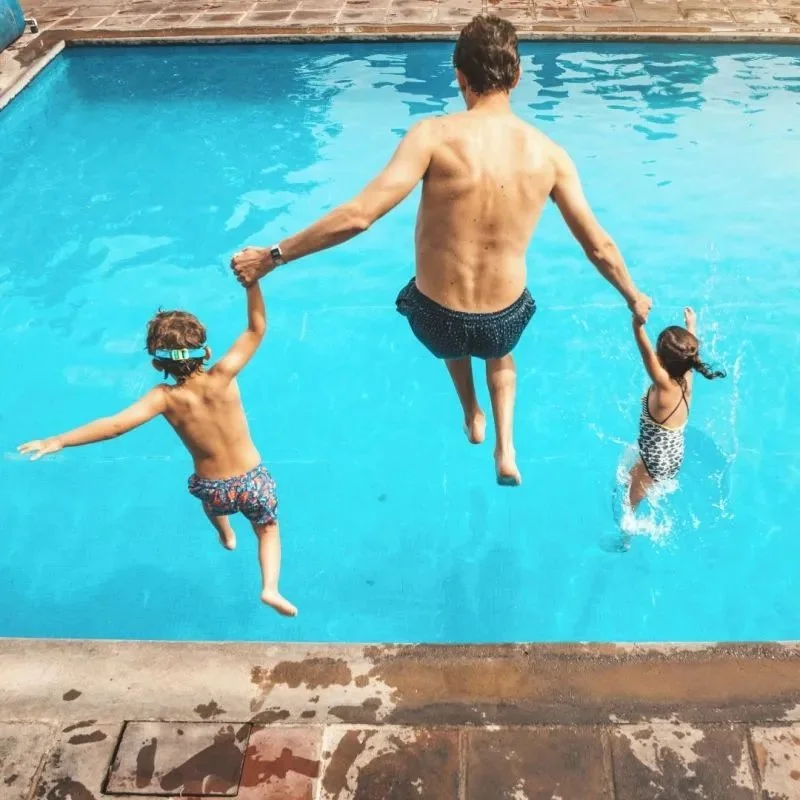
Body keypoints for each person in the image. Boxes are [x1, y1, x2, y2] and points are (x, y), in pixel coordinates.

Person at [230, 15, 651, 486]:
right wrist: (633, 296)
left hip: (435, 319)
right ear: (517, 77)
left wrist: (272, 256)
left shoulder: (432, 136)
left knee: (451, 333)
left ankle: (471, 413)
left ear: (459, 76)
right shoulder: (550, 156)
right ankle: (506, 447)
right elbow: (598, 246)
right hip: (503, 321)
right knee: (499, 354)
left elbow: (359, 216)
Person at [18, 283, 297, 617]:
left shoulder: (163, 398)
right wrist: (252, 283)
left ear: (156, 365)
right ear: (207, 352)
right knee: (267, 529)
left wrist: (59, 440)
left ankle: (225, 534)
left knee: (211, 503)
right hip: (251, 480)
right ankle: (270, 588)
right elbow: (256, 329)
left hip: (213, 487)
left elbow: (114, 426)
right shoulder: (224, 374)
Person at [628, 306, 726, 510]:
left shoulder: (664, 386)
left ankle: (627, 530)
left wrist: (637, 324)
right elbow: (689, 353)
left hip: (655, 460)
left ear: (659, 359)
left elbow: (646, 354)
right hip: (674, 454)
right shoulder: (687, 376)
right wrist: (691, 326)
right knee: (633, 478)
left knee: (629, 503)